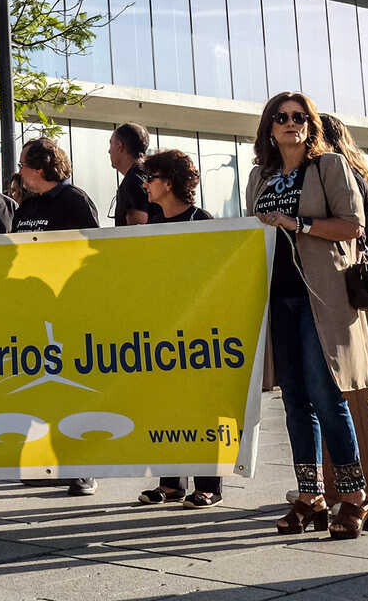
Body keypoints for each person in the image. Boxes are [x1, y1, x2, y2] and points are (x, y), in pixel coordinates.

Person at [247, 91, 368, 539]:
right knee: (295, 400)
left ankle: (356, 495)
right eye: (281, 117)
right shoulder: (259, 176)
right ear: (269, 126)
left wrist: (298, 224)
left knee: (327, 396)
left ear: (310, 124)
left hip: (320, 298)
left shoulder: (328, 167)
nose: (290, 123)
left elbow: (353, 226)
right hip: (278, 297)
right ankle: (310, 494)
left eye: (299, 117)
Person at [11, 136, 101, 496]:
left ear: (41, 167)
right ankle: (46, 462)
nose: (18, 172)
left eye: (22, 165)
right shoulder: (25, 208)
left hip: (69, 309)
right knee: (41, 387)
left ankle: (83, 468)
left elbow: (95, 251)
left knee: (72, 389)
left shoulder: (73, 200)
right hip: (33, 311)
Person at [132, 150, 223, 508]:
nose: (145, 185)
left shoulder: (203, 221)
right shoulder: (153, 223)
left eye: (150, 178)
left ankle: (209, 484)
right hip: (162, 329)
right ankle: (170, 483)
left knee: (202, 407)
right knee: (165, 406)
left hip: (199, 331)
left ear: (167, 183)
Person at [316, 114, 368, 515]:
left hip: (347, 297)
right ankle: (362, 489)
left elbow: (352, 233)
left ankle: (352, 490)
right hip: (360, 296)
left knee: (346, 392)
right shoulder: (356, 175)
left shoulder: (337, 175)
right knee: (355, 393)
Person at [110, 123, 151, 226]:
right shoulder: (152, 176)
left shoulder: (133, 182)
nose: (109, 151)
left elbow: (137, 233)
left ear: (120, 146)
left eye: (111, 144)